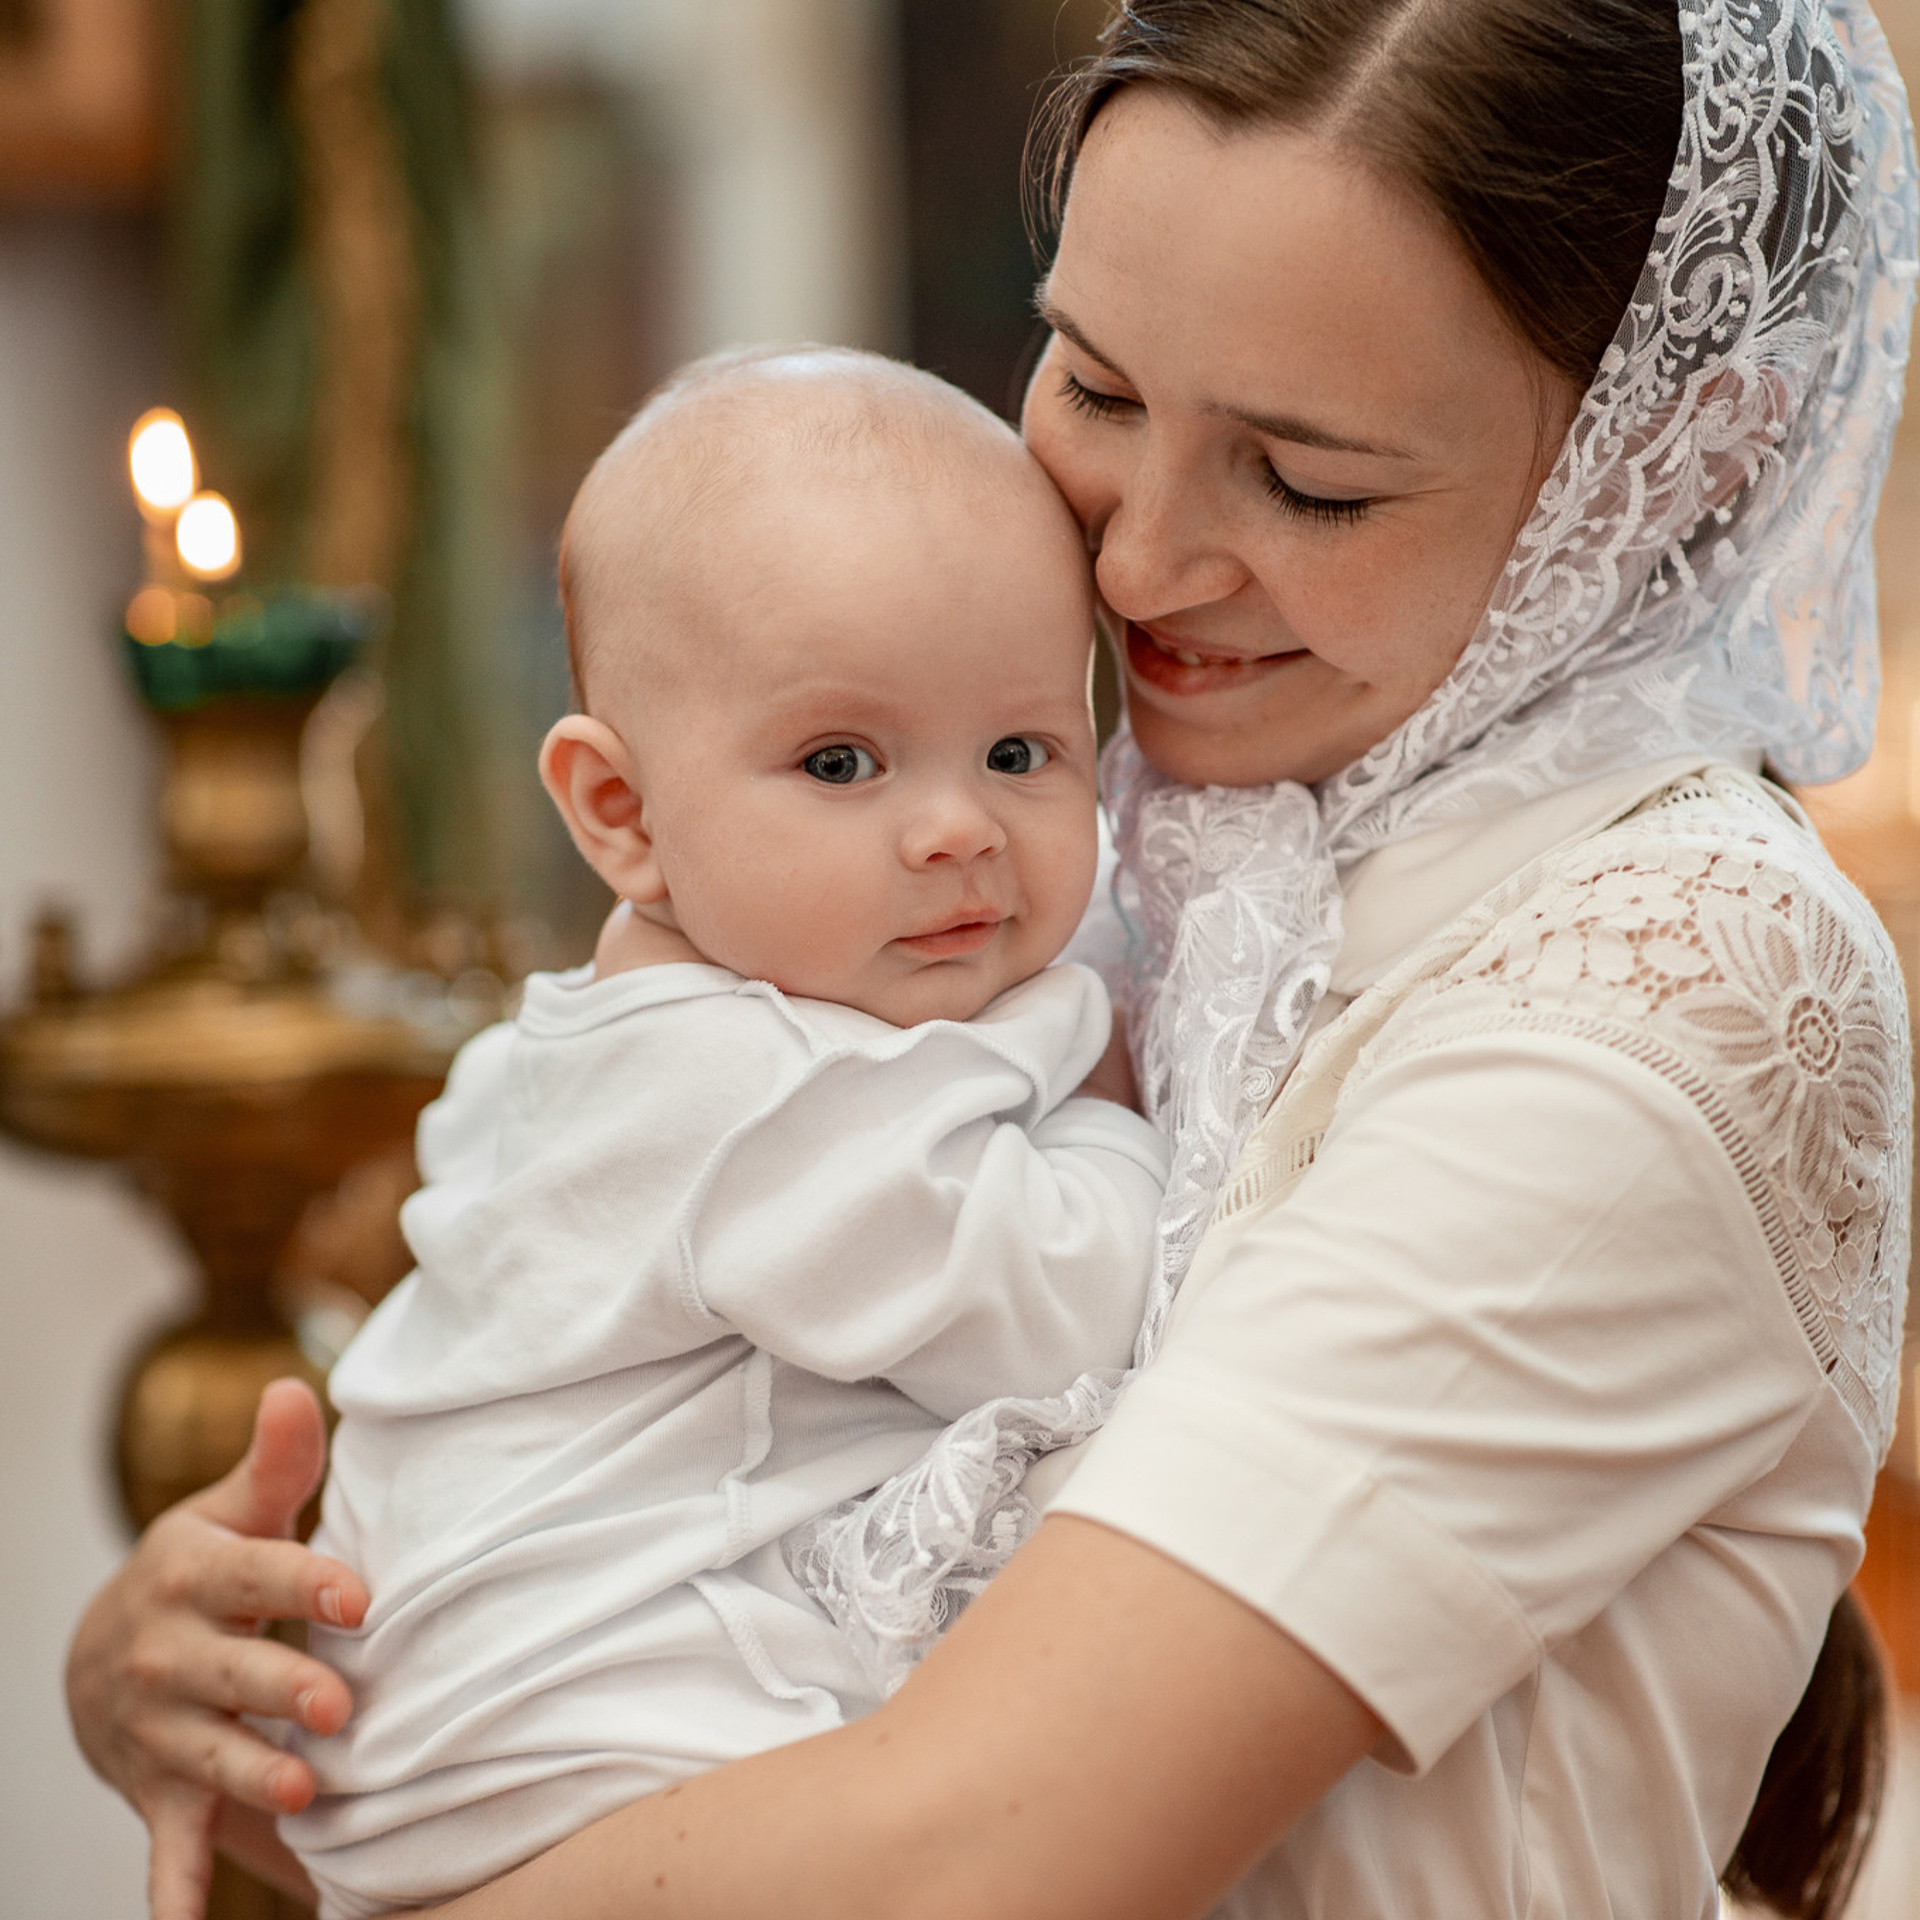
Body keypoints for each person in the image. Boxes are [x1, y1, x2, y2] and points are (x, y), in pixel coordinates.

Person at [65, 2, 1918, 1917]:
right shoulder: (1133, 832)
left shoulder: (1666, 972)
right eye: (1099, 387)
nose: (1132, 568)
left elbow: (978, 1858)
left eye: (1311, 482)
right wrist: (243, 1675)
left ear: (1686, 457)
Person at [274, 349, 1170, 1919]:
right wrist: (1104, 1091)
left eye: (1024, 752)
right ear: (621, 816)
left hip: (460, 1753)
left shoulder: (652, 1037)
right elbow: (1078, 1306)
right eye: (841, 763)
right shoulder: (740, 1102)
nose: (957, 824)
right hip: (575, 1751)